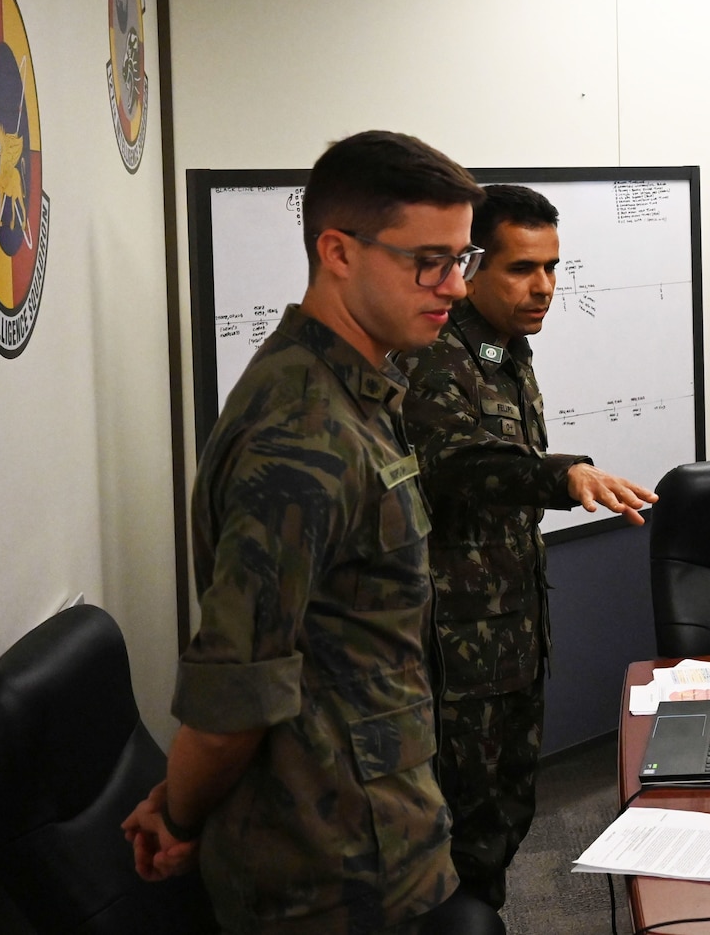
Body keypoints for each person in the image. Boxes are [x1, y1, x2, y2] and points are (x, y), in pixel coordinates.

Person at [124, 131, 484, 933]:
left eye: (465, 257)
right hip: (331, 870)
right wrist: (179, 817)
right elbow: (234, 691)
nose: (456, 287)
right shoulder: (303, 430)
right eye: (431, 260)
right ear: (339, 251)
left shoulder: (349, 388)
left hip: (378, 827)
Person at [401, 184, 657, 908]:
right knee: (459, 841)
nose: (543, 285)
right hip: (454, 656)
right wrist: (565, 473)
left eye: (552, 266)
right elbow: (458, 461)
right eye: (521, 268)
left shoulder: (503, 350)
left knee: (505, 822)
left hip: (511, 637)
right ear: (472, 264)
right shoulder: (434, 353)